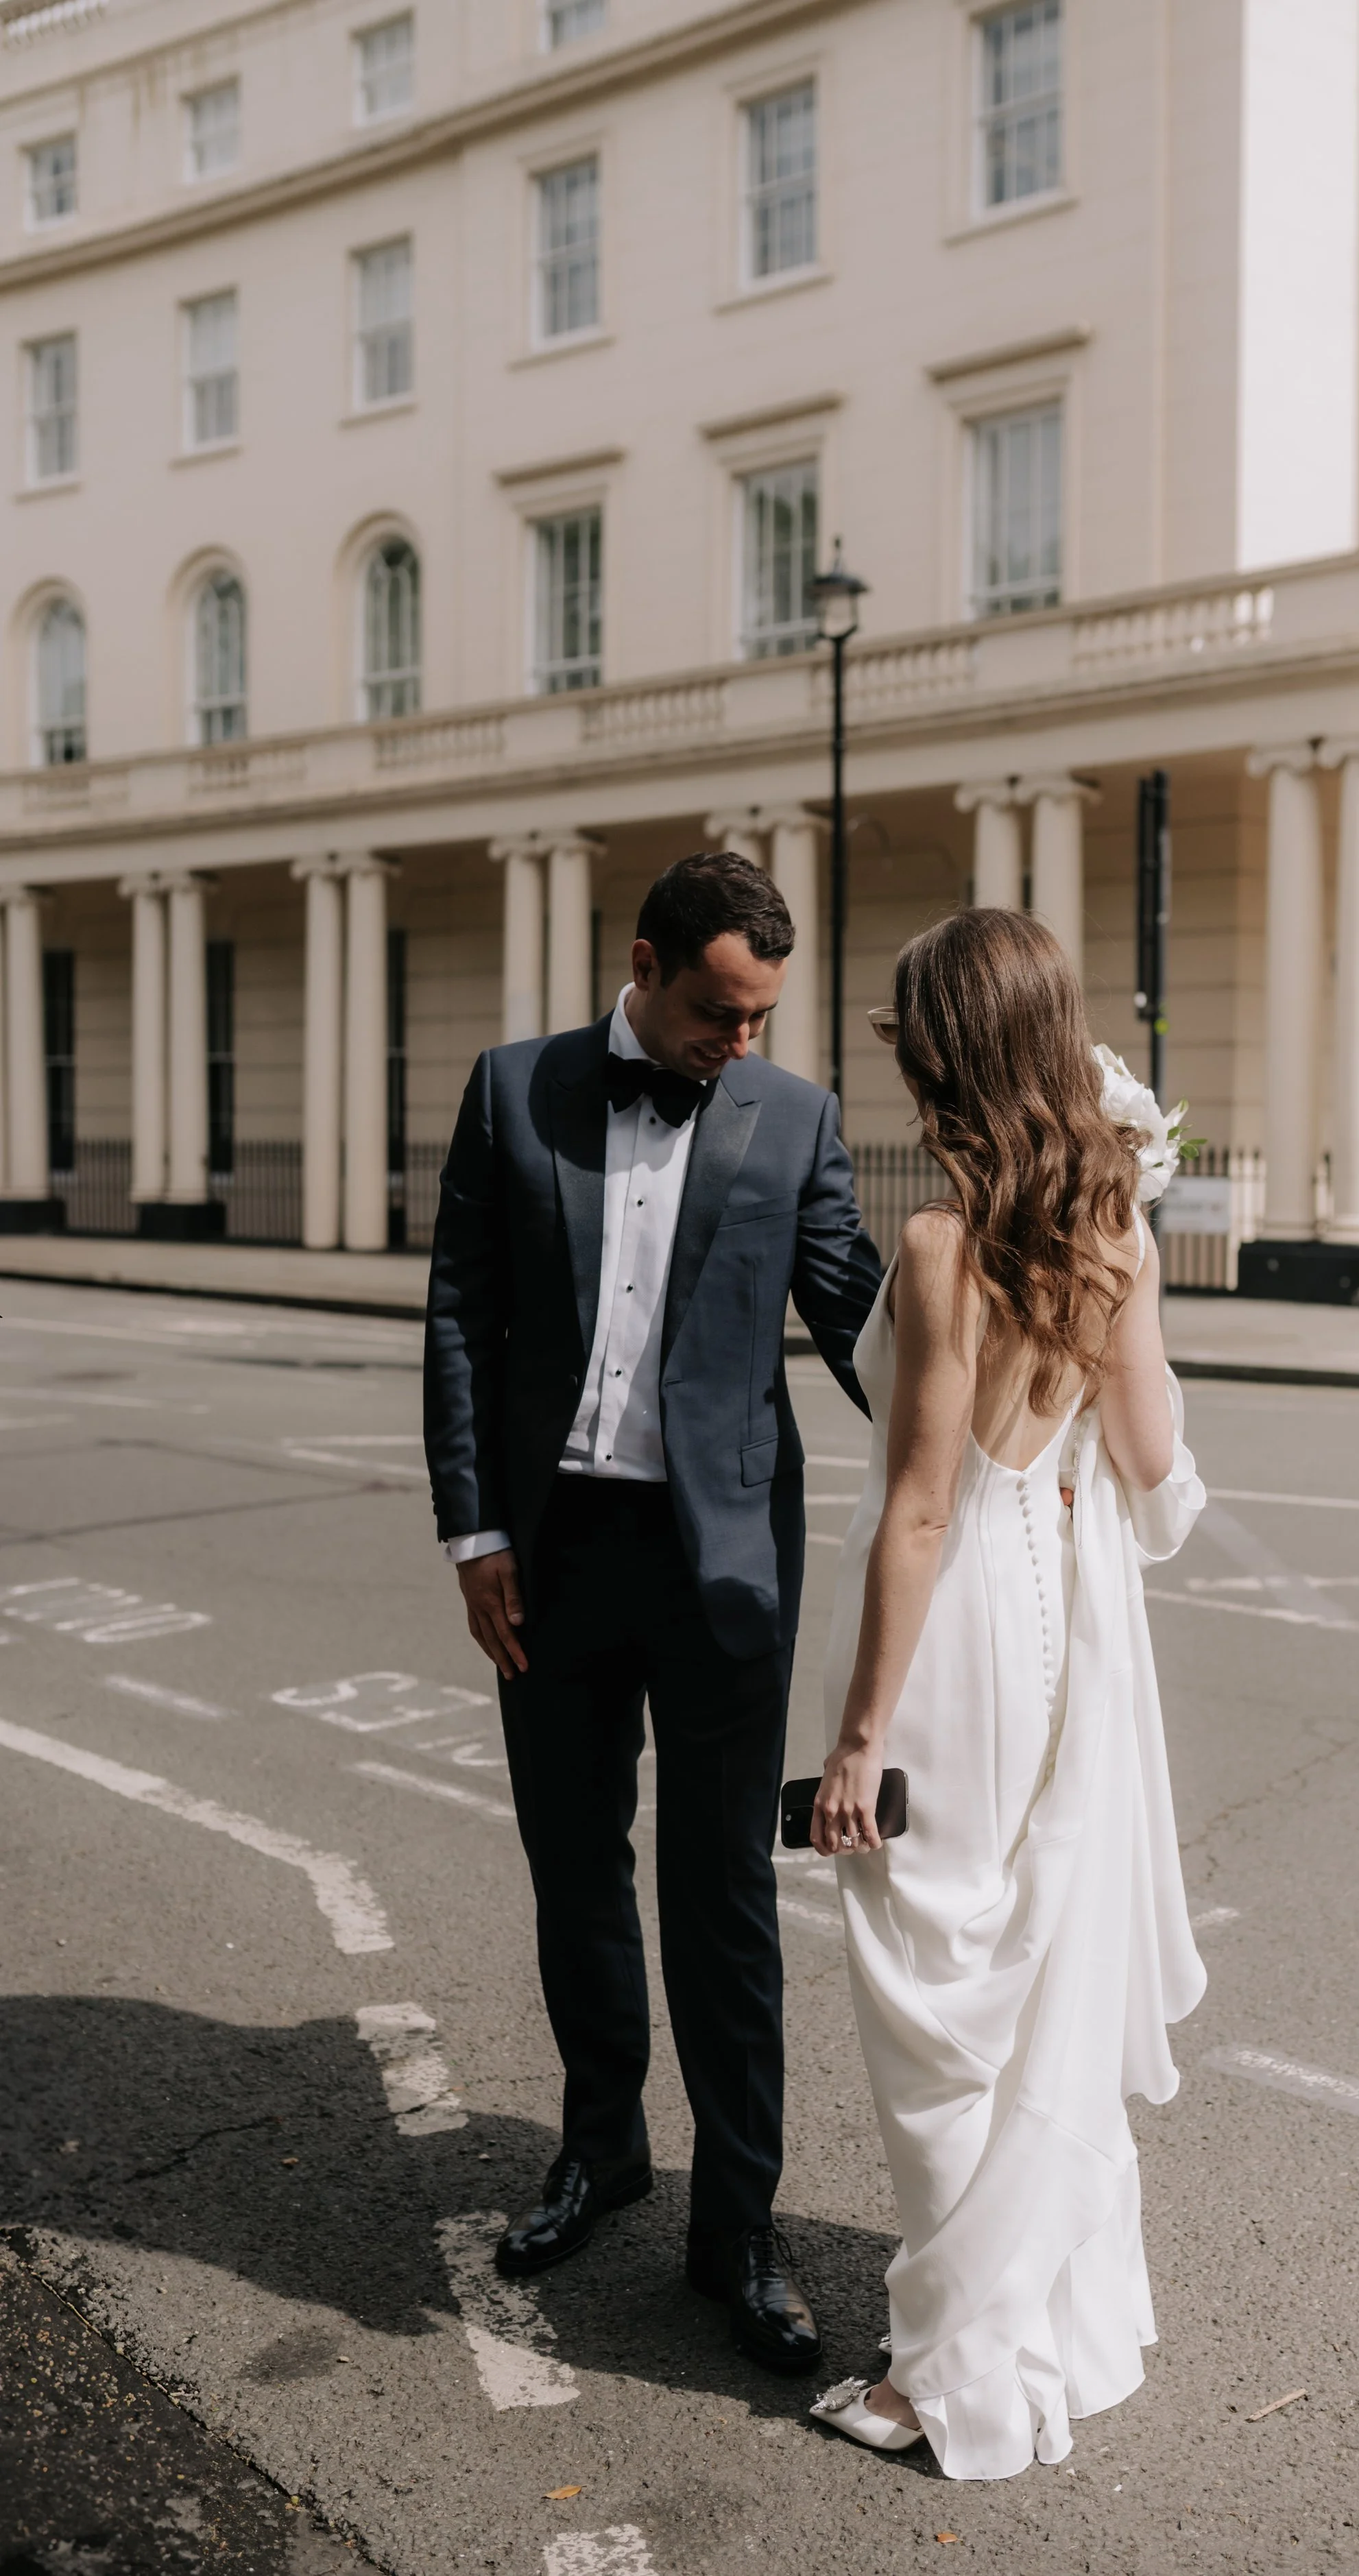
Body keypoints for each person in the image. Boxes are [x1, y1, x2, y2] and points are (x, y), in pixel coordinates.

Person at [423, 851, 882, 2376]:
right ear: (641, 961)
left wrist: (1012, 1407)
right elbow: (461, 1316)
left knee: (724, 1907)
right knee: (573, 1868)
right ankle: (600, 2147)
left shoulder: (795, 1119)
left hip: (722, 1568)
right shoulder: (512, 1092)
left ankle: (735, 2231)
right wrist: (475, 1523)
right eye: (710, 1011)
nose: (734, 1044)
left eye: (756, 1020)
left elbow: (864, 1323)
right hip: (549, 1553)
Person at [806, 907, 1207, 2477]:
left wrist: (853, 1736)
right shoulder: (1111, 1232)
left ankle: (950, 2378)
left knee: (931, 2001)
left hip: (958, 1634)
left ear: (946, 1052)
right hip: (1055, 1630)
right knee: (1024, 1974)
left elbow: (918, 1509)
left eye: (907, 1035)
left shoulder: (938, 1248)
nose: (895, 1060)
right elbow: (1151, 1460)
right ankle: (1047, 2318)